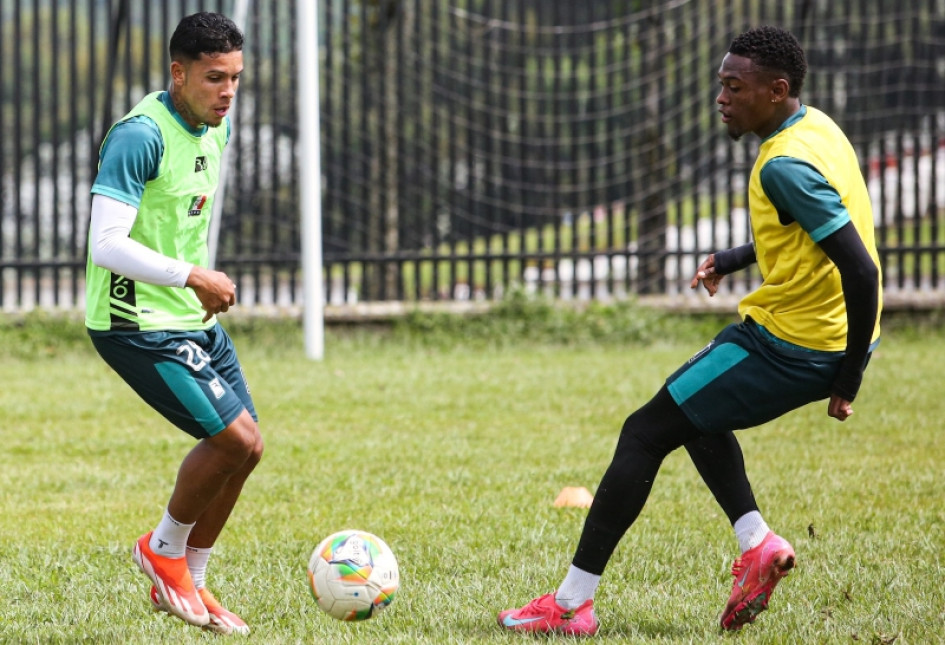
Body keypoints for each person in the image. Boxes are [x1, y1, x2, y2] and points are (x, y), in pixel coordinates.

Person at [498, 25, 882, 635]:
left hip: (794, 343)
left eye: (735, 87)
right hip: (816, 334)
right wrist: (732, 258)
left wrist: (849, 377)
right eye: (721, 84)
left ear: (776, 89)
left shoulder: (782, 164)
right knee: (695, 411)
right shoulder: (816, 130)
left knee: (645, 431)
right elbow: (810, 227)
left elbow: (861, 269)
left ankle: (571, 605)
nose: (721, 98)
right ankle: (756, 544)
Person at [85, 12, 260, 636]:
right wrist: (193, 276)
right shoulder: (139, 135)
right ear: (177, 73)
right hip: (134, 322)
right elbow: (106, 244)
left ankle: (195, 577)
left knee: (249, 449)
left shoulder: (218, 127)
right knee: (231, 441)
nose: (228, 91)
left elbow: (180, 218)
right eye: (215, 78)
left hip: (187, 315)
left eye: (236, 77)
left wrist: (198, 290)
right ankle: (162, 550)